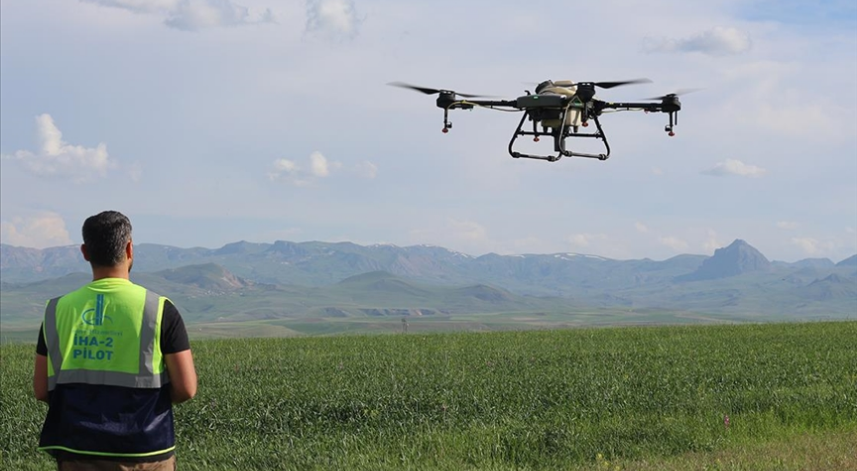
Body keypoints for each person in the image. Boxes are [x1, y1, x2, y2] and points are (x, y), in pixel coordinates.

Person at [33, 210, 197, 470]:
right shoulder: (159, 309)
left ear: (85, 252)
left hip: (77, 450)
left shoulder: (56, 311)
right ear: (129, 248)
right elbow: (186, 389)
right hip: (146, 451)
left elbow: (41, 389)